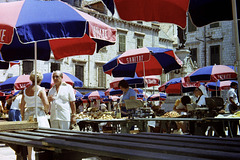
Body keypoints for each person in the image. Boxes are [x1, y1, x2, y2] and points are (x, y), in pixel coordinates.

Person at [20, 71, 50, 160]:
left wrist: (22, 116)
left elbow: (21, 105)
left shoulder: (25, 90)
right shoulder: (41, 90)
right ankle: (41, 157)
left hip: (28, 115)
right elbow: (46, 104)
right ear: (40, 80)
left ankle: (29, 157)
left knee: (28, 138)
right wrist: (46, 111)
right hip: (38, 115)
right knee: (43, 136)